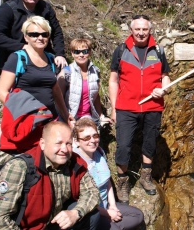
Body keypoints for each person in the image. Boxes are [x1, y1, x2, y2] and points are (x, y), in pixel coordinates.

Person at [0, 16, 74, 165]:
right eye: (34, 34)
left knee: (43, 165)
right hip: (25, 122)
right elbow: (1, 92)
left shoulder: (51, 59)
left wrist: (65, 114)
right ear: (26, 37)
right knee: (21, 164)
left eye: (44, 34)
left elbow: (55, 89)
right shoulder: (18, 58)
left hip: (46, 123)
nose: (40, 38)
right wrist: (29, 112)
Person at [109, 14, 170, 201]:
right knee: (124, 145)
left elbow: (165, 76)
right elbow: (113, 80)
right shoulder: (121, 50)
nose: (141, 33)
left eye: (145, 29)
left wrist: (164, 89)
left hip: (153, 106)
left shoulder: (158, 51)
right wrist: (113, 108)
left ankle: (146, 177)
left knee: (150, 143)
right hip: (126, 106)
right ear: (131, 30)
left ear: (149, 30)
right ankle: (122, 182)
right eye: (138, 29)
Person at [0, 121, 100, 229]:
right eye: (58, 143)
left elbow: (92, 192)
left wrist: (76, 213)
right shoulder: (20, 167)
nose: (64, 149)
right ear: (42, 144)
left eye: (68, 143)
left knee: (92, 215)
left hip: (52, 223)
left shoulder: (74, 163)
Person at [73, 118, 144, 230]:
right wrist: (106, 213)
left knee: (138, 215)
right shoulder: (76, 163)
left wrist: (113, 206)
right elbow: (79, 199)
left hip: (106, 205)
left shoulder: (99, 153)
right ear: (77, 141)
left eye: (95, 136)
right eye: (86, 138)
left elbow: (108, 183)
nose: (92, 140)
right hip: (92, 211)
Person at [0, 0, 67, 70]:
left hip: (42, 56)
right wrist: (23, 47)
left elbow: (56, 32)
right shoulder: (7, 9)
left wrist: (59, 54)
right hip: (12, 58)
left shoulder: (46, 8)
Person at [57, 38, 111, 127]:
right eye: (77, 52)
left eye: (84, 51)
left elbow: (96, 96)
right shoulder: (66, 72)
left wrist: (101, 116)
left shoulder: (95, 71)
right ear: (72, 53)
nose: (81, 55)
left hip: (88, 117)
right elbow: (58, 98)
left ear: (89, 52)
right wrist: (66, 118)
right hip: (69, 118)